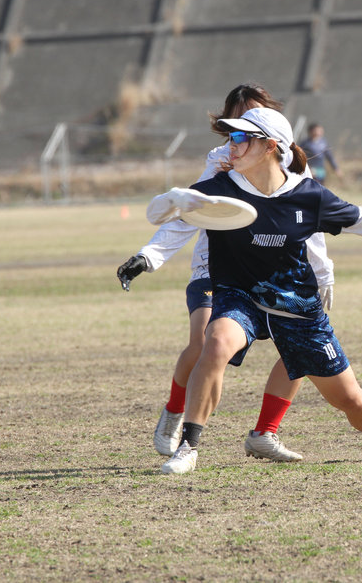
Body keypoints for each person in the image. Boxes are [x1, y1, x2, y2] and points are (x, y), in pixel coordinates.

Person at [147, 107, 362, 475]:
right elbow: (175, 220)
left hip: (296, 305)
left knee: (351, 399)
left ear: (270, 146)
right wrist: (146, 256)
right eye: (230, 137)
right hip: (240, 296)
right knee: (216, 342)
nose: (231, 145)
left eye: (242, 138)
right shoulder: (218, 189)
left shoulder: (308, 195)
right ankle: (188, 448)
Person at [116, 84, 334, 464]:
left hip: (273, 273)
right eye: (240, 118)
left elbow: (306, 221)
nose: (248, 125)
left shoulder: (289, 162)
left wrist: (323, 273)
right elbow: (189, 210)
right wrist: (149, 256)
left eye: (257, 115)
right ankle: (176, 413)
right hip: (216, 270)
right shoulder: (221, 160)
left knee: (299, 346)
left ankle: (265, 432)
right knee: (206, 344)